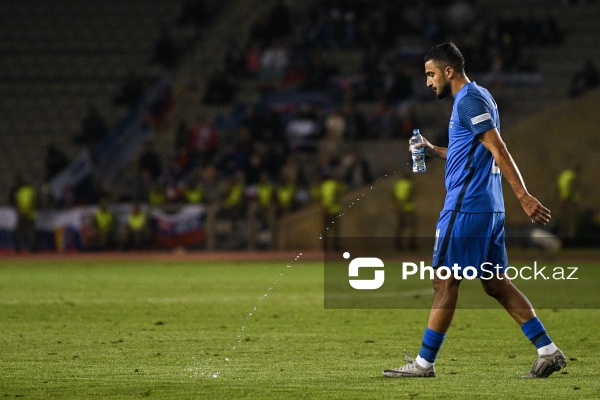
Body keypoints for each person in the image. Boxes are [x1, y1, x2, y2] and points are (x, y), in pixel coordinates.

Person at [383, 43, 565, 379]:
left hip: (467, 207)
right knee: (495, 283)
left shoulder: (468, 100)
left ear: (448, 71)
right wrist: (432, 149)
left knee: (444, 281)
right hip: (486, 207)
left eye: (430, 74)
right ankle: (548, 350)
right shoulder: (479, 97)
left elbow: (498, 148)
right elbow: (470, 150)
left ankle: (424, 363)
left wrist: (523, 196)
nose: (427, 82)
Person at [393, 174, 417, 250]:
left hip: (399, 208)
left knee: (401, 226)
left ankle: (398, 243)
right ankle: (411, 244)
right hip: (408, 208)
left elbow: (393, 195)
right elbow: (409, 194)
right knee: (411, 226)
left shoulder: (397, 184)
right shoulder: (408, 184)